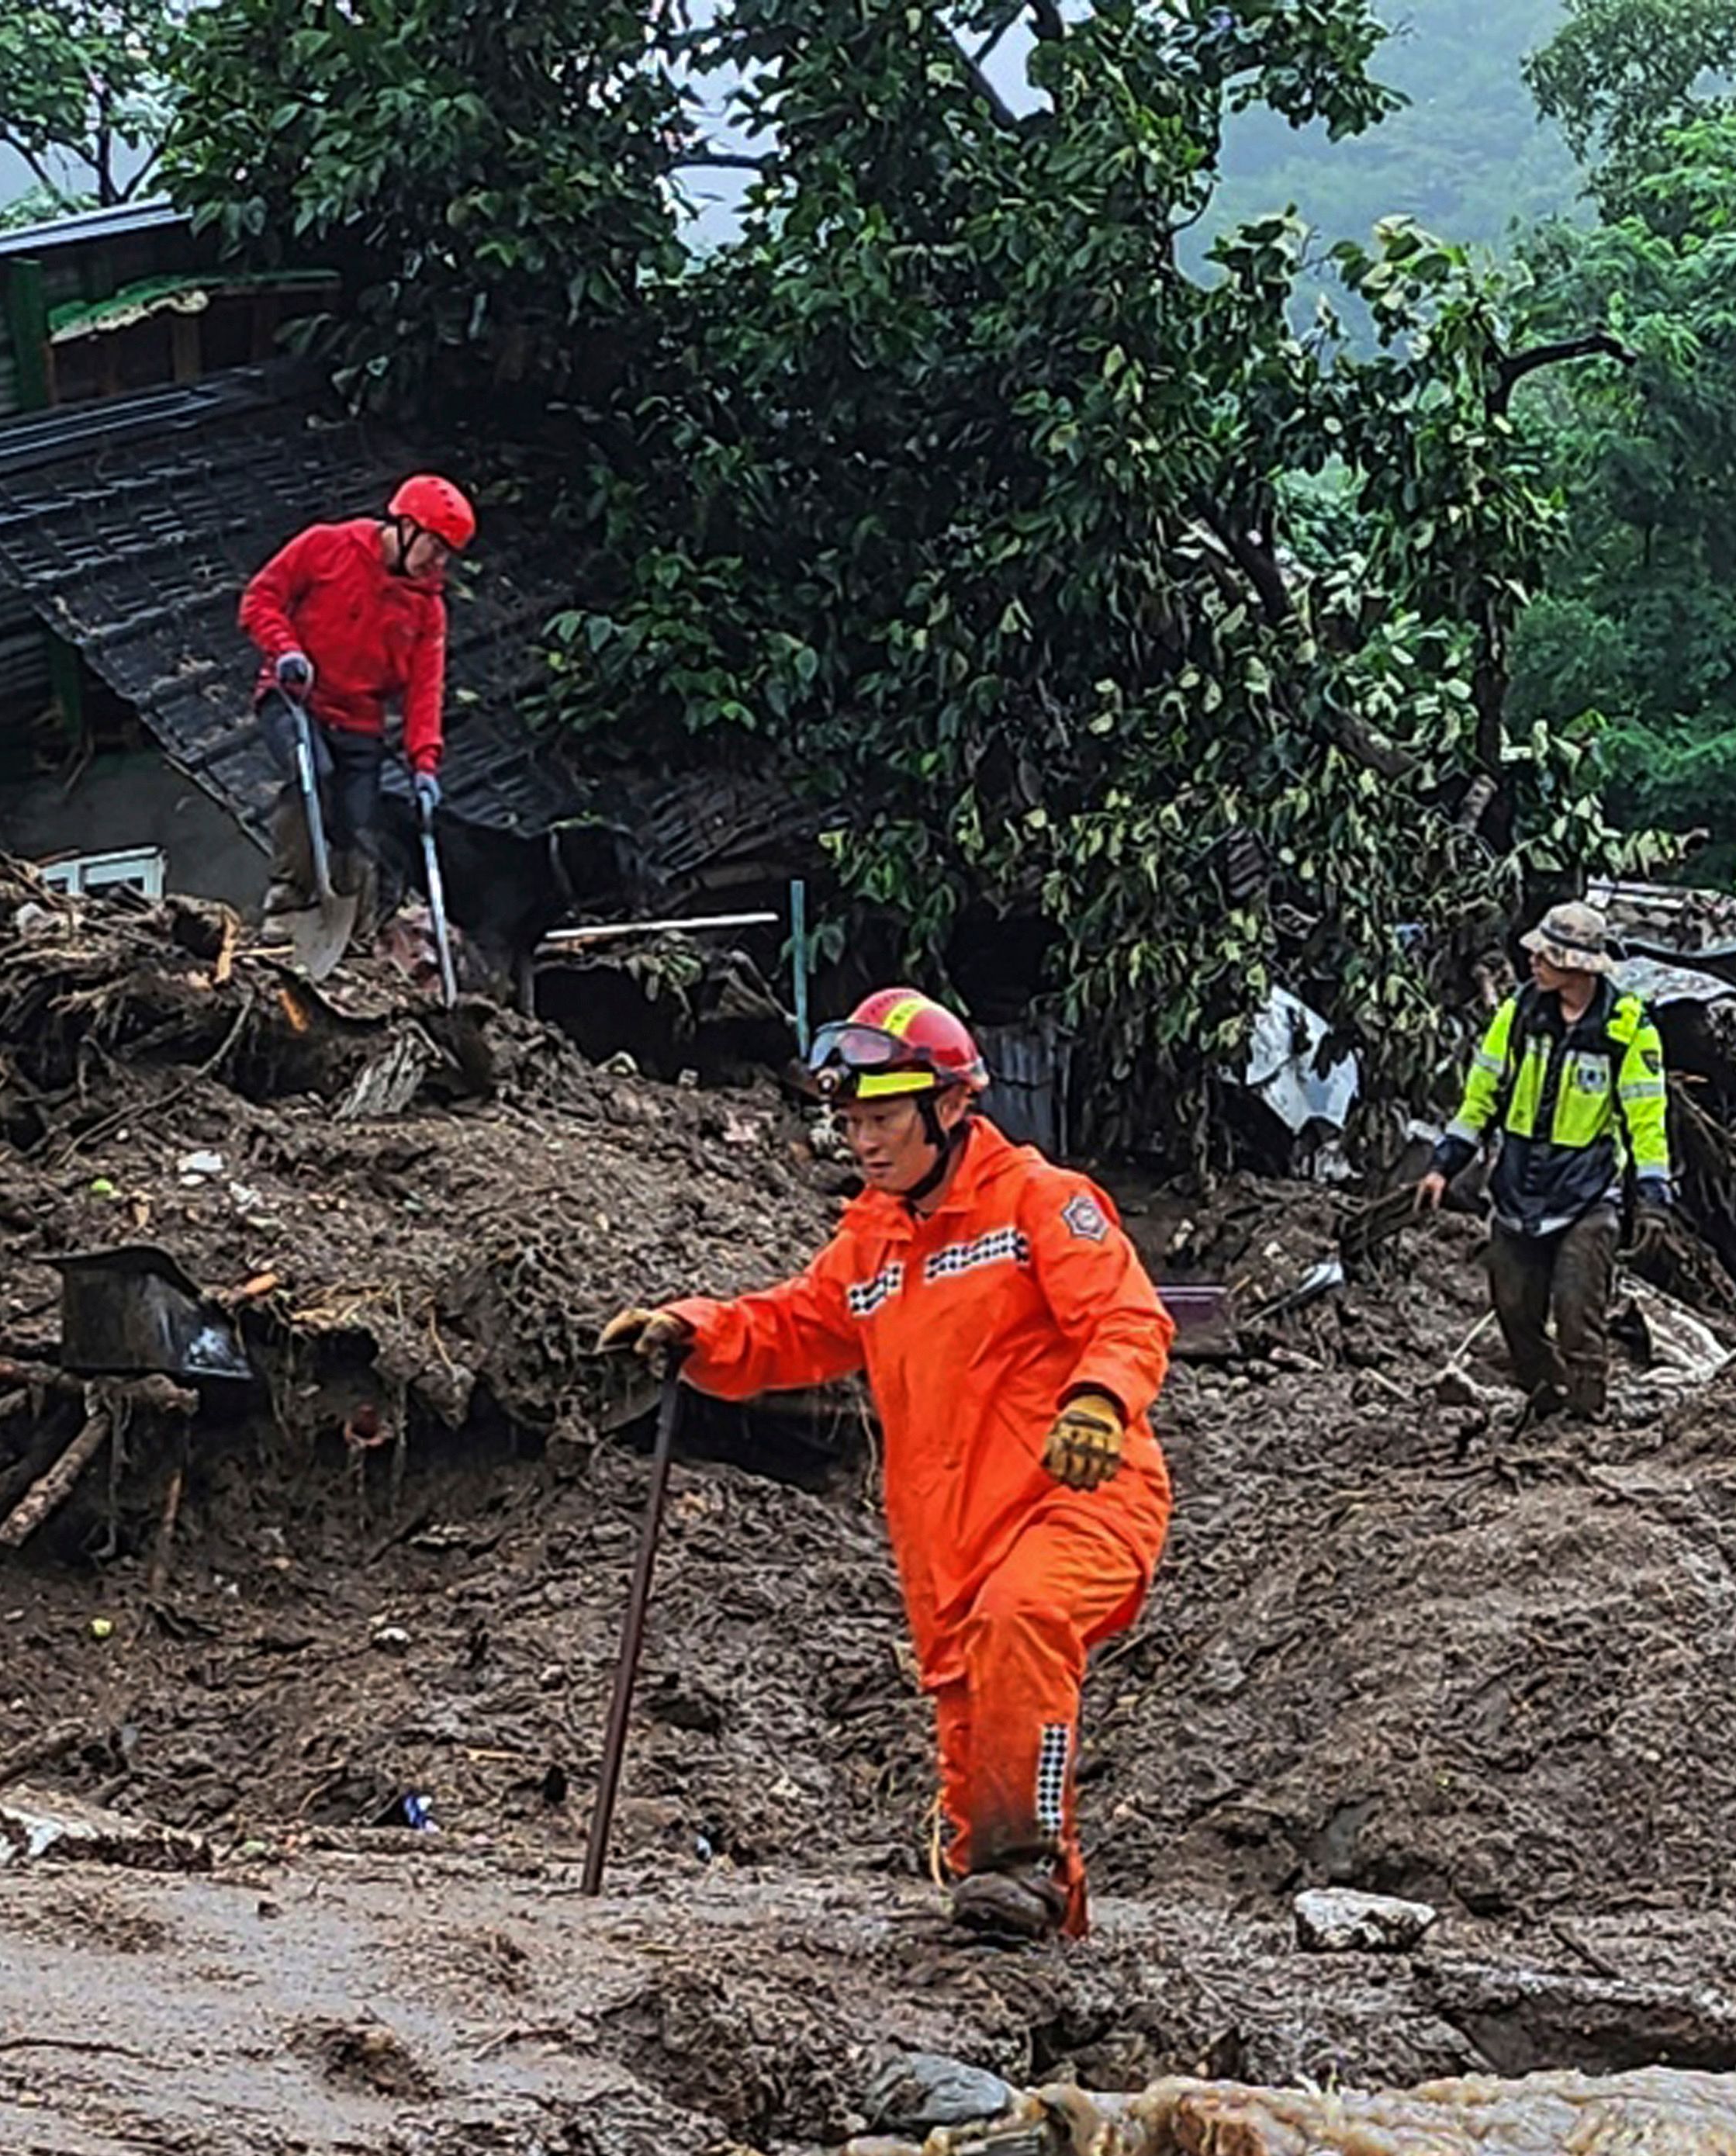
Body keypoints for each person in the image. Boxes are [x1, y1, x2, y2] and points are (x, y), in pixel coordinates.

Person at [601, 990, 1171, 1943]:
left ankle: (1020, 1872)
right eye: (850, 1122)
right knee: (968, 1729)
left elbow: (1125, 1316)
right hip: (947, 1534)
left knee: (1022, 1622)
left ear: (948, 1108)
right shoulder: (874, 1237)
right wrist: (695, 1329)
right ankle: (1033, 1943)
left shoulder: (1039, 1201)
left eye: (880, 1120)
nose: (861, 1143)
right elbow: (796, 1326)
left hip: (1075, 1498)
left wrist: (1099, 1400)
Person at [1420, 901, 1675, 1424]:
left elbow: (1646, 1121)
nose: (1532, 962)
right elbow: (1480, 1099)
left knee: (1579, 1315)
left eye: (1546, 955)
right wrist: (1444, 1164)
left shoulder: (1627, 1028)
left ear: (1579, 965)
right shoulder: (1516, 1015)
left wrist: (1652, 1199)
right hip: (1517, 1188)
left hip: (1587, 1194)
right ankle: (1547, 1397)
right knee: (1514, 1310)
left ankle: (1585, 1423)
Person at [240, 474, 472, 936]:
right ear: (407, 528)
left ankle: (351, 932)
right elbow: (259, 599)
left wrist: (425, 763)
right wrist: (286, 649)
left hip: (359, 722)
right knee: (313, 776)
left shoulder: (428, 608)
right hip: (295, 697)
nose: (440, 562)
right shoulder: (328, 546)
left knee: (361, 826)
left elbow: (426, 691)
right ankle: (288, 900)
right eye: (437, 546)